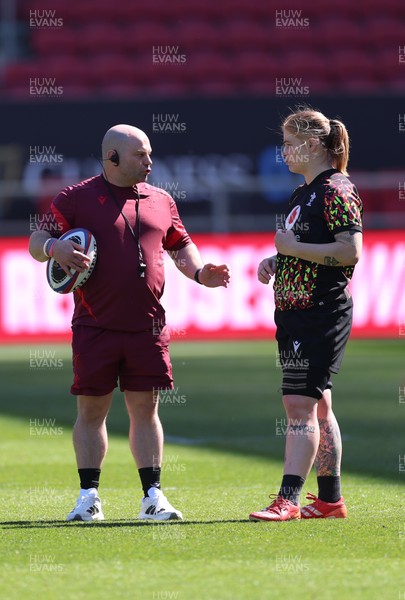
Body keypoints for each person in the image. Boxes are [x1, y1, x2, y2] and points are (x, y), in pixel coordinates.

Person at [29, 124, 230, 522]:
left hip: (148, 325)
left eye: (150, 154)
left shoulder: (161, 199)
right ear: (113, 158)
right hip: (94, 324)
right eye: (141, 155)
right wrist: (55, 247)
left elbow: (180, 244)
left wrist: (201, 272)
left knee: (146, 410)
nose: (150, 162)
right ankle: (89, 498)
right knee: (91, 411)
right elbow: (37, 240)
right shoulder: (75, 198)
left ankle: (153, 496)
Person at [249, 107, 362, 522]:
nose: (283, 152)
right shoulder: (305, 192)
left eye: (288, 143)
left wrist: (292, 250)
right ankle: (330, 501)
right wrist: (277, 262)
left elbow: (350, 252)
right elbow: (313, 248)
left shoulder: (335, 189)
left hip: (320, 311)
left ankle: (288, 499)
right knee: (319, 408)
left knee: (298, 405)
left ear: (312, 144)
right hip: (296, 312)